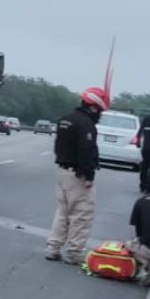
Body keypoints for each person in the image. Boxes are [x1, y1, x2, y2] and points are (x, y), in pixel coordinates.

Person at [44, 87, 106, 265]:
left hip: (62, 171)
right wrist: (88, 175)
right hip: (77, 175)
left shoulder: (66, 118)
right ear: (94, 107)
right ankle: (74, 252)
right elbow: (86, 151)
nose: (100, 115)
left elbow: (58, 146)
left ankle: (53, 247)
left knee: (62, 212)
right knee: (81, 214)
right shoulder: (85, 123)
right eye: (100, 111)